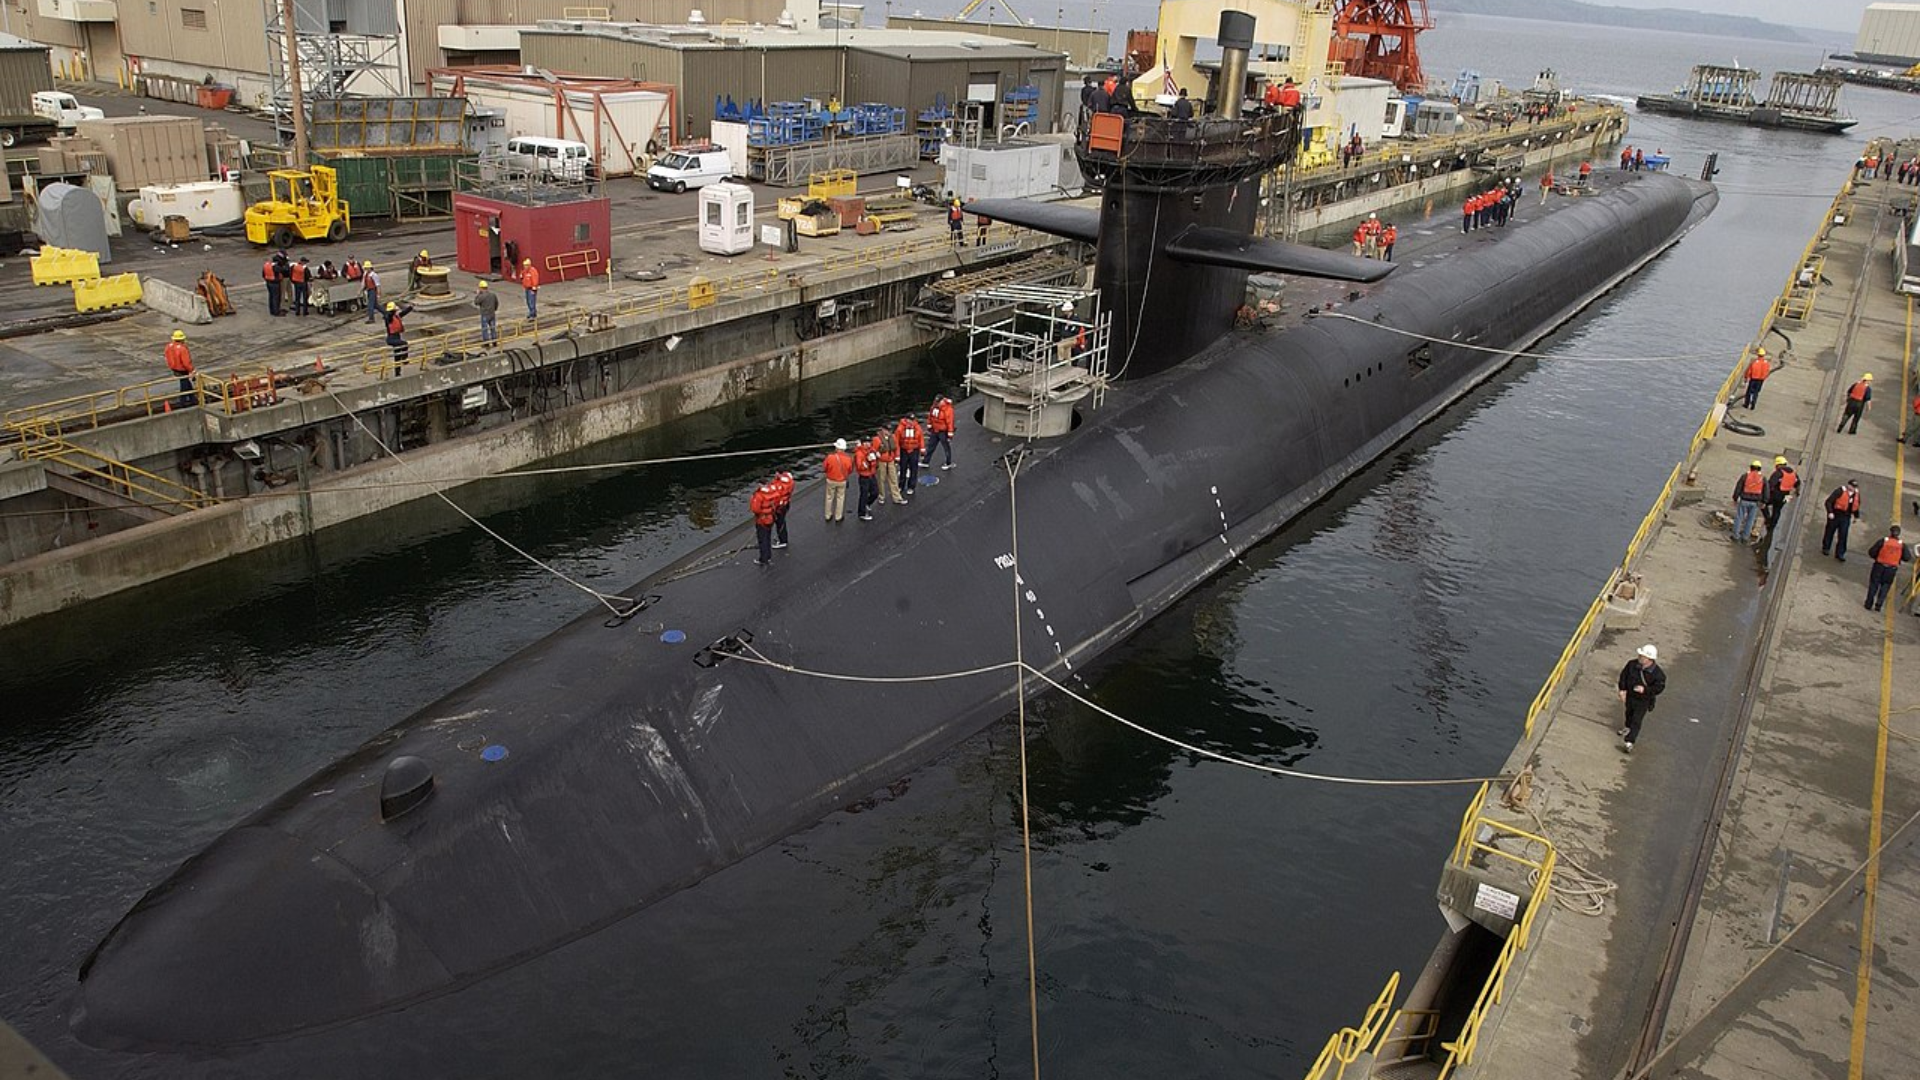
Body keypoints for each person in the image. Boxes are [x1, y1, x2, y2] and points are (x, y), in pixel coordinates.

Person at [1616, 643, 1666, 754]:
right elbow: (1624, 676)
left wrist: (1645, 690)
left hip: (1643, 700)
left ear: (1649, 659)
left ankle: (1629, 741)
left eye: (1643, 656)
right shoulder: (1632, 665)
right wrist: (1622, 689)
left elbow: (1659, 688)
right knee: (1629, 712)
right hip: (1631, 696)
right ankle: (1627, 727)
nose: (1640, 657)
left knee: (1637, 719)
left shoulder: (1658, 675)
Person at [1866, 525, 1909, 611]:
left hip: (1879, 566)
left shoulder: (1883, 541)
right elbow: (1907, 557)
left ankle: (1869, 604)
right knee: (1885, 586)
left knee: (1874, 584)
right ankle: (1879, 604)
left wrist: (1877, 558)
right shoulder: (1901, 545)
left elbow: (1871, 552)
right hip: (1891, 569)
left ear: (1890, 532)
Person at [1823, 478, 1862, 560]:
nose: (1853, 488)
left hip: (1846, 516)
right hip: (1836, 514)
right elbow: (1828, 502)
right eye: (1852, 486)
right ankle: (1826, 548)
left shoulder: (1856, 494)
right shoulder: (1839, 491)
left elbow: (1856, 505)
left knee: (1843, 535)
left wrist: (1856, 516)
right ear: (1848, 485)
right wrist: (1830, 512)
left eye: (1854, 487)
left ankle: (1840, 553)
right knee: (1830, 531)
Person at [1731, 459, 1766, 543]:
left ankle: (1735, 536)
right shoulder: (1763, 478)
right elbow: (1766, 490)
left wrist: (1735, 498)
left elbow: (1738, 487)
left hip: (1744, 500)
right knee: (1750, 520)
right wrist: (1764, 501)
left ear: (1751, 467)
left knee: (1739, 518)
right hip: (1755, 502)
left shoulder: (1745, 476)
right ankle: (1745, 537)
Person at [1762, 455, 1797, 534]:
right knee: (1777, 510)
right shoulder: (1793, 473)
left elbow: (1770, 484)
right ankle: (1772, 525)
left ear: (1778, 465)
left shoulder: (1778, 473)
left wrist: (1765, 494)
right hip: (1786, 496)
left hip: (1776, 495)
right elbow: (1797, 483)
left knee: (1763, 504)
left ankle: (1768, 519)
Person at [749, 478, 780, 566]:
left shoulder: (759, 495)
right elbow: (777, 502)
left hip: (762, 520)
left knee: (762, 539)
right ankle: (768, 556)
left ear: (760, 484)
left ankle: (763, 559)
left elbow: (755, 509)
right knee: (768, 537)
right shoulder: (773, 492)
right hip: (771, 517)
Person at [823, 438, 853, 522]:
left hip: (831, 480)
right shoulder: (848, 458)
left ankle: (828, 515)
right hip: (842, 480)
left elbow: (824, 468)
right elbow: (850, 470)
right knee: (840, 498)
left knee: (829, 497)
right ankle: (838, 516)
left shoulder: (830, 457)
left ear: (836, 448)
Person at [895, 413, 925, 496]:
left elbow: (921, 438)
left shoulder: (917, 427)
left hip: (914, 450)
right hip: (904, 450)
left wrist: (922, 448)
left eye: (912, 420)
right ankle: (901, 485)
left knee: (914, 469)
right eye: (909, 420)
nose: (911, 422)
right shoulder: (900, 428)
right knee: (903, 468)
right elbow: (896, 442)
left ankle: (911, 486)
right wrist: (897, 455)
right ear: (906, 419)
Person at [164, 329, 194, 408]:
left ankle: (193, 399)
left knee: (187, 383)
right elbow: (186, 362)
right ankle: (183, 402)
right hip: (182, 369)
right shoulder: (182, 349)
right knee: (184, 384)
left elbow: (167, 357)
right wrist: (191, 370)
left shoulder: (169, 346)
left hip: (174, 368)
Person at [853, 434, 880, 520]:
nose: (868, 444)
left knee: (875, 492)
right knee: (864, 495)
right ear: (862, 443)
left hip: (872, 474)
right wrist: (868, 461)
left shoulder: (872, 450)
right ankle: (862, 513)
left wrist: (877, 458)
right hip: (864, 476)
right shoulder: (859, 453)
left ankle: (867, 503)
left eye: (869, 442)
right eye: (866, 442)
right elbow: (859, 466)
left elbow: (875, 462)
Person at [383, 300, 414, 371]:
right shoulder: (389, 318)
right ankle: (404, 359)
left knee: (397, 356)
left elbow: (403, 313)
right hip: (391, 339)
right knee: (404, 344)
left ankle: (397, 372)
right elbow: (388, 316)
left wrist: (410, 307)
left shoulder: (396, 316)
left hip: (397, 337)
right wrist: (392, 310)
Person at [875, 429, 903, 505]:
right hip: (881, 462)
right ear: (883, 430)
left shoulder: (893, 437)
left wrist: (897, 456)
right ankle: (881, 496)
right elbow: (873, 449)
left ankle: (897, 497)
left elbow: (896, 447)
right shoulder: (876, 439)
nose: (888, 432)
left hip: (891, 460)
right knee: (881, 479)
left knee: (893, 478)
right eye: (887, 430)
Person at [927, 395, 956, 468]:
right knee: (930, 446)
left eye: (938, 402)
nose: (937, 403)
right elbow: (930, 416)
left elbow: (950, 421)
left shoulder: (948, 409)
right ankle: (926, 461)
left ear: (942, 401)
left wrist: (950, 432)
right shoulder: (934, 406)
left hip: (943, 431)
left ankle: (948, 462)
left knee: (946, 447)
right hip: (935, 430)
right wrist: (929, 424)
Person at [771, 470, 794, 549]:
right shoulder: (788, 480)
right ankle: (781, 538)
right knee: (781, 522)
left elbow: (777, 496)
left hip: (780, 507)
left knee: (780, 523)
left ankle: (783, 541)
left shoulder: (781, 485)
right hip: (785, 503)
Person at [474, 279, 499, 344]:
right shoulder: (493, 295)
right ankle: (494, 341)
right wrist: (494, 309)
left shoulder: (481, 296)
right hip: (492, 314)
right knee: (493, 328)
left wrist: (477, 295)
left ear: (481, 288)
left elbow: (476, 302)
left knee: (485, 329)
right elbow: (496, 303)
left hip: (485, 315)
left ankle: (486, 342)